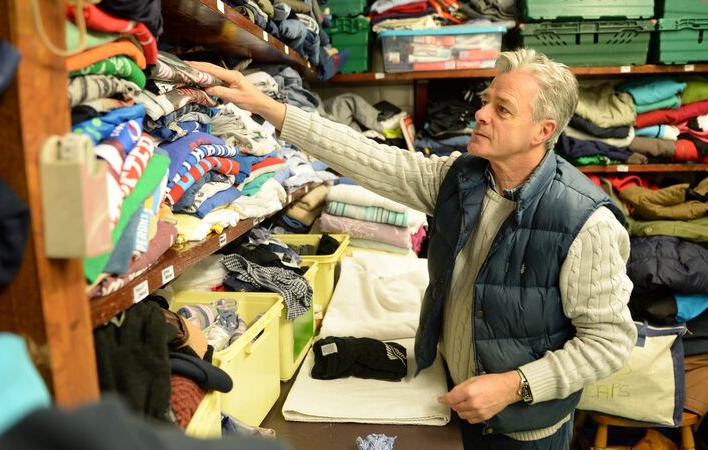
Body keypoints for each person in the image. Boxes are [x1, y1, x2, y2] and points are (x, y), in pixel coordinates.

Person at [189, 48, 637, 450]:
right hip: (450, 396)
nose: (481, 114)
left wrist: (515, 385)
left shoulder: (583, 221)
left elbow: (610, 341)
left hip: (523, 429)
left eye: (502, 109)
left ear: (544, 130)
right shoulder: (463, 179)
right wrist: (269, 107)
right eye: (486, 101)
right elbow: (372, 158)